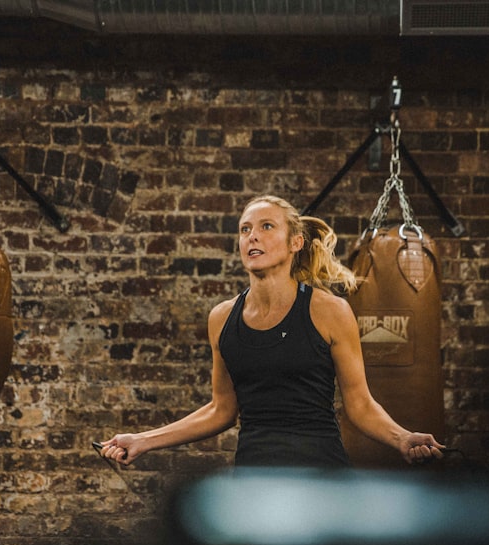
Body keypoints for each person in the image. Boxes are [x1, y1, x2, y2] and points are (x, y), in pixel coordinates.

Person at [98, 195, 444, 467]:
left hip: (320, 474)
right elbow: (221, 409)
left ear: (295, 243)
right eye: (245, 229)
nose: (252, 237)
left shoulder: (330, 312)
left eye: (266, 227)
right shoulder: (222, 318)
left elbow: (359, 404)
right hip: (255, 476)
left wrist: (402, 438)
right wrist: (142, 440)